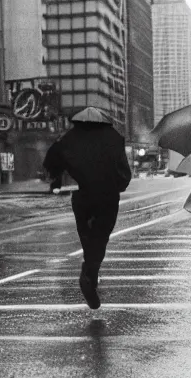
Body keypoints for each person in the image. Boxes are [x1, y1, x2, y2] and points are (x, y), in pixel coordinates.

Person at [43, 107, 132, 309]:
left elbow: (50, 163)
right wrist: (117, 185)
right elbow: (124, 173)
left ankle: (90, 272)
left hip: (82, 195)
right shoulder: (113, 137)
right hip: (107, 195)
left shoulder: (69, 139)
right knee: (100, 237)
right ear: (104, 121)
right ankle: (89, 273)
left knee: (86, 236)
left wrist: (61, 178)